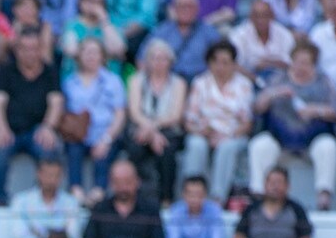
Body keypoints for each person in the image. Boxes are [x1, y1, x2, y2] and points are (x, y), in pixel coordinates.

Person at [247, 41, 336, 211]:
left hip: (312, 139)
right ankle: (258, 195)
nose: (301, 67)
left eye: (306, 63)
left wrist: (316, 110)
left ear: (314, 64)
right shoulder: (278, 78)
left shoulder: (323, 81)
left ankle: (323, 197)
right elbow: (257, 106)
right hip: (280, 139)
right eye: (298, 62)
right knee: (260, 145)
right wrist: (274, 93)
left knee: (328, 147)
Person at [0, 27, 64, 206]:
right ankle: (0, 198)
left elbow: (56, 102)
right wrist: (1, 127)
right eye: (25, 48)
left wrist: (48, 127)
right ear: (17, 50)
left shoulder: (50, 72)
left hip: (38, 129)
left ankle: (43, 199)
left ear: (40, 49)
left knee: (48, 150)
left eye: (34, 48)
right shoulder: (7, 71)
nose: (30, 53)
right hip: (11, 131)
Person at [182, 40, 253, 201]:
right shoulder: (200, 83)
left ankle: (217, 197)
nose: (220, 67)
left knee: (227, 147)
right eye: (216, 62)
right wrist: (201, 132)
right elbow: (189, 120)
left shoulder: (243, 85)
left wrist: (227, 134)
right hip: (203, 131)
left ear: (234, 64)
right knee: (195, 144)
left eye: (225, 63)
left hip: (233, 134)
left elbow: (247, 123)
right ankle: (192, 195)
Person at [122, 38, 188, 204]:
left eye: (163, 58)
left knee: (167, 150)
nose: (158, 62)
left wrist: (152, 130)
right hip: (141, 126)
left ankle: (166, 199)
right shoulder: (136, 80)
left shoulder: (179, 83)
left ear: (170, 62)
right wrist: (151, 133)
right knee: (135, 146)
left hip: (168, 129)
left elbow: (176, 115)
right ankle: (134, 195)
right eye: (154, 58)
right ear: (147, 61)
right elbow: (135, 112)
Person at [81, 159, 163, 238]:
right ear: (111, 183)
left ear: (137, 181)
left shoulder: (150, 209)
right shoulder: (100, 208)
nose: (123, 188)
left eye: (127, 182)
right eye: (118, 183)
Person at [61, 36, 126, 198]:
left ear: (102, 56)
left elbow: (119, 113)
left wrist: (106, 139)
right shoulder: (69, 82)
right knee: (72, 148)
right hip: (78, 134)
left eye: (95, 52)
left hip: (105, 132)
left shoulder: (113, 81)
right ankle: (76, 190)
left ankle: (99, 192)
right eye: (86, 52)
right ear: (79, 56)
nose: (90, 56)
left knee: (103, 152)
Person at [8, 154, 80, 238]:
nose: (52, 180)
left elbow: (71, 237)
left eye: (56, 176)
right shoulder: (21, 201)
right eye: (48, 175)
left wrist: (39, 236)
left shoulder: (71, 203)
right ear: (39, 174)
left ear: (62, 176)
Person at [149, 0, 222, 81]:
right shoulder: (162, 31)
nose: (186, 10)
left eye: (190, 6)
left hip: (199, 81)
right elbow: (142, 59)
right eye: (182, 6)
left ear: (197, 8)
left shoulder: (209, 32)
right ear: (174, 8)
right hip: (170, 82)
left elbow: (220, 59)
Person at [62, 0, 127, 75]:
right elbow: (70, 50)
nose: (94, 6)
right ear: (81, 2)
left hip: (108, 79)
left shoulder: (111, 25)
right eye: (91, 1)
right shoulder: (72, 26)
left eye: (99, 2)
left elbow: (118, 50)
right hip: (77, 80)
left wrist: (104, 21)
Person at [229, 0, 294, 75]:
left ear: (272, 16)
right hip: (248, 78)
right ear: (250, 17)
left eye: (265, 15)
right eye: (257, 16)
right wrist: (256, 80)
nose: (261, 20)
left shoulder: (285, 34)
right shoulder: (238, 35)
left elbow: (291, 63)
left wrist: (268, 63)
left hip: (280, 79)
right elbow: (235, 65)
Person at [0, 0, 57, 69]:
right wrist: (14, 34)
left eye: (30, 7)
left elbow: (47, 57)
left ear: (37, 10)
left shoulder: (45, 27)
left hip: (39, 71)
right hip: (12, 70)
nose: (26, 11)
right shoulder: (7, 27)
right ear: (14, 9)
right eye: (22, 7)